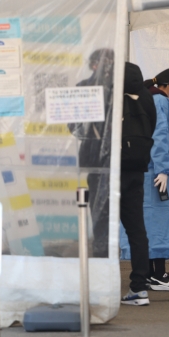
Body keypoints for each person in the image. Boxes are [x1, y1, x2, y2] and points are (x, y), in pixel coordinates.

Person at [121, 67, 169, 291]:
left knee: (145, 222)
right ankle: (158, 274)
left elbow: (161, 128)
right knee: (159, 222)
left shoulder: (148, 96)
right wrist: (163, 169)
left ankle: (149, 273)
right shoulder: (160, 100)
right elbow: (158, 134)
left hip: (144, 168)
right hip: (155, 172)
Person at [68, 48, 114, 257]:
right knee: (98, 204)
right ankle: (101, 249)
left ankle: (105, 248)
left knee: (108, 206)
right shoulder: (85, 87)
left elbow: (73, 126)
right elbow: (73, 125)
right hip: (98, 158)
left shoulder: (117, 88)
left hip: (111, 158)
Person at [120, 62, 157, 306]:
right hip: (136, 168)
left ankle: (100, 284)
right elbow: (152, 127)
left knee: (102, 229)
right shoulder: (146, 97)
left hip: (111, 168)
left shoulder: (110, 94)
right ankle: (139, 286)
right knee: (136, 229)